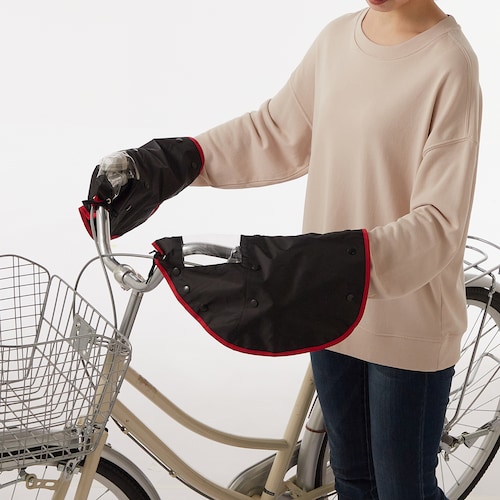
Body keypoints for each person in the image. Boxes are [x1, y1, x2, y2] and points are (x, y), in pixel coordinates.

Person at [81, 0, 482, 498]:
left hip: (405, 320)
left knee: (404, 491)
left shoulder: (449, 62)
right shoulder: (337, 39)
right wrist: (174, 161)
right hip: (329, 310)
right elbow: (274, 131)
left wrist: (327, 269)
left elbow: (438, 225)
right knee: (353, 481)